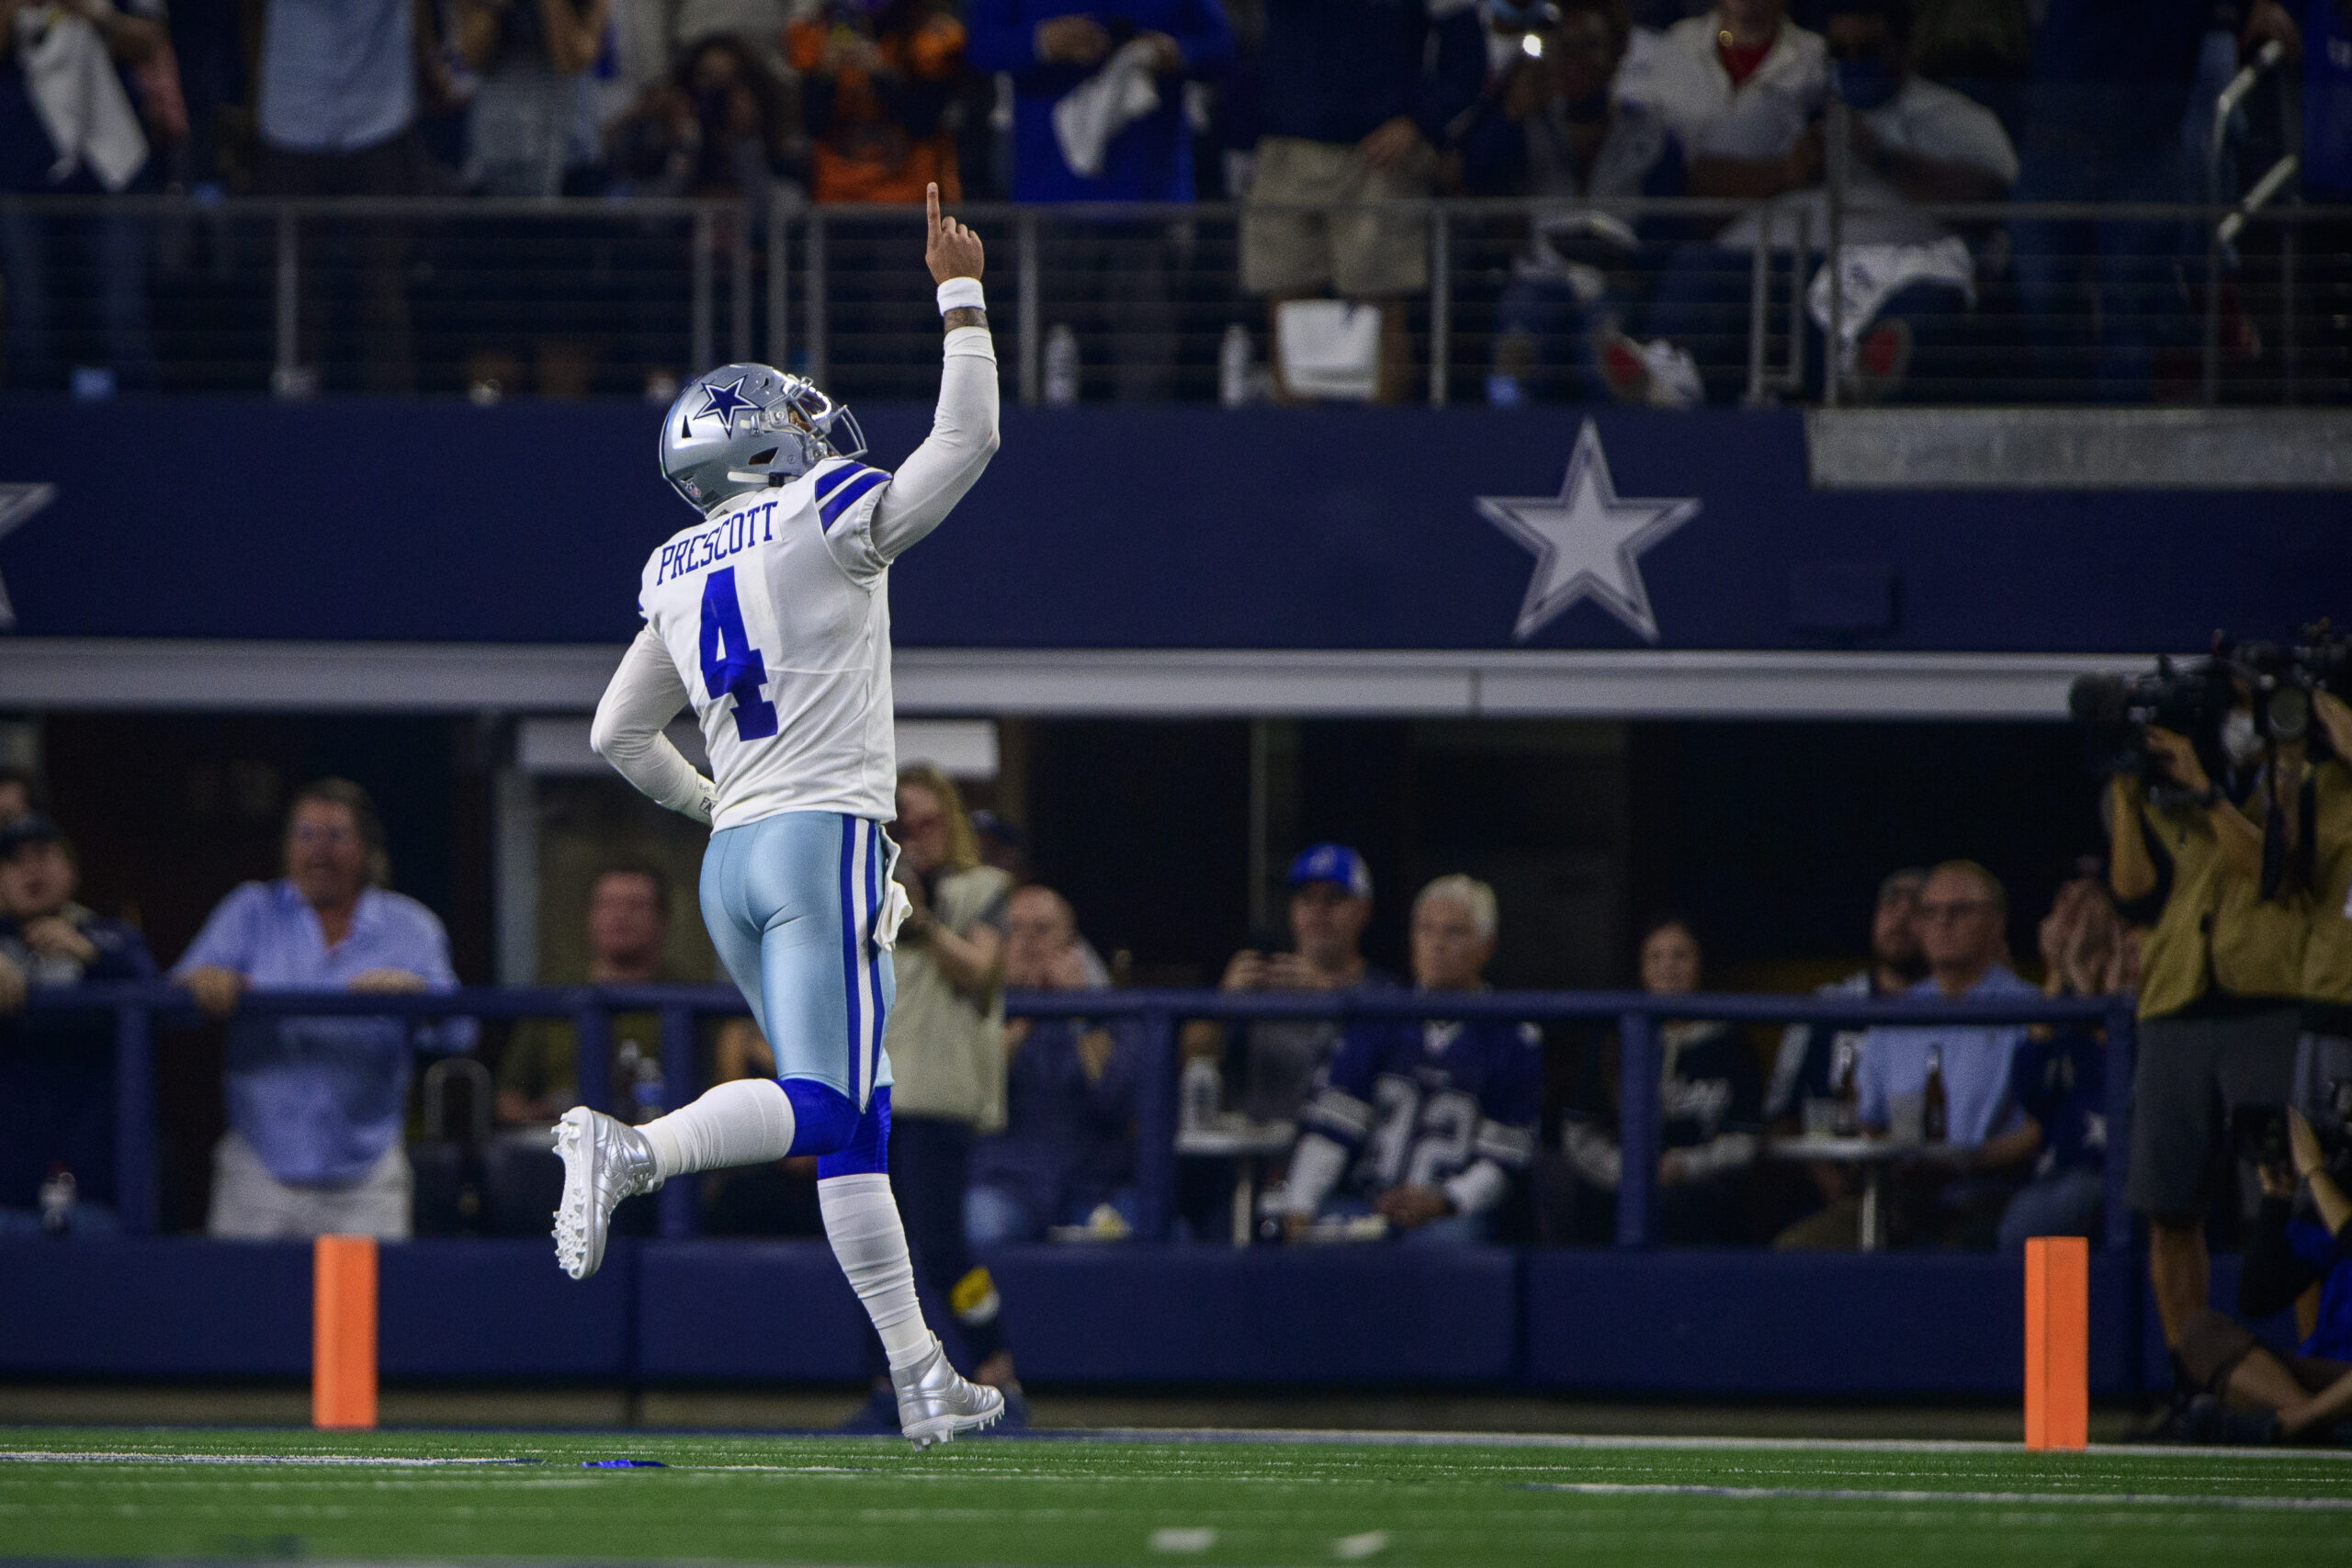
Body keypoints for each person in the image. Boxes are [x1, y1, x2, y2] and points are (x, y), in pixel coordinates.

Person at [564, 186, 1007, 1450]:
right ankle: (629, 1151)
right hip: (821, 841)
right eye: (794, 415)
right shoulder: (821, 509)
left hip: (737, 857)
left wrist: (724, 805)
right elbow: (965, 443)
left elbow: (615, 733)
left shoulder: (675, 561)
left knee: (854, 1133)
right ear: (762, 442)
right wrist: (961, 297)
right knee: (820, 1105)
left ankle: (923, 1375)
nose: (816, 425)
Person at [174, 778, 469, 1241]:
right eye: (305, 835)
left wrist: (418, 996)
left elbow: (460, 1031)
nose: (319, 851)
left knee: (366, 1314)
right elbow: (174, 1001)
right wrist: (204, 983)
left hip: (366, 1174)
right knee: (248, 1311)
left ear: (366, 850)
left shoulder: (411, 926)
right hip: (258, 1169)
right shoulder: (249, 911)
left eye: (335, 836)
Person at [2111, 718, 2308, 1354]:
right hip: (2174, 1002)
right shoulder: (2152, 790)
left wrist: (2207, 792)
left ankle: (2323, 1371)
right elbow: (2133, 892)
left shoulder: (2296, 776)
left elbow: (2272, 872)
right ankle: (2191, 1381)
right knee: (2169, 1207)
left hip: (2267, 1002)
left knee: (2295, 1197)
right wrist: (2123, 789)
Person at [967, 0, 1234, 400]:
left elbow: (1223, 45)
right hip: (1046, 206)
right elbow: (979, 47)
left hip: (1148, 205)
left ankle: (1142, 462)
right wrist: (1041, 42)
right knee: (1038, 379)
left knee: (1146, 381)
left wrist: (1174, 52)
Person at [1240, 0, 1486, 402]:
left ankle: (1380, 453)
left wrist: (1419, 121)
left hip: (1378, 159)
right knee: (1286, 309)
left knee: (1380, 309)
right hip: (1286, 150)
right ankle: (1293, 452)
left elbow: (1467, 59)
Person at [1276, 875, 1540, 1244]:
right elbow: (1334, 1125)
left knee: (1448, 1244)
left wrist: (1445, 1201)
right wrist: (1300, 1204)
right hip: (1368, 1202)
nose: (1436, 944)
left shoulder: (1512, 1038)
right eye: (1426, 929)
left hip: (1450, 1214)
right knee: (1312, 1233)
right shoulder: (1380, 1015)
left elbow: (1505, 1162)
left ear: (1486, 946)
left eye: (1453, 933)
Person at [1793, 861, 2042, 1249]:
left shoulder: (2034, 1012)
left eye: (1959, 911)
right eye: (1930, 912)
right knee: (1800, 1250)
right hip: (1903, 1194)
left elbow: (2043, 1128)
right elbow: (1871, 1120)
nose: (1942, 922)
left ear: (1996, 922)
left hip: (1994, 1192)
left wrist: (1968, 1162)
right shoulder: (1894, 1016)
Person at [1457, 0, 1687, 406]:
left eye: (1589, 45)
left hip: (1614, 283)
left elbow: (1668, 224)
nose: (1575, 60)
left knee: (1604, 354)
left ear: (1617, 53)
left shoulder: (1650, 132)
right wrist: (1511, 112)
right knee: (1518, 347)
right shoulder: (1527, 121)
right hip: (1537, 277)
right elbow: (1475, 173)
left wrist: (1632, 264)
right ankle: (1509, 444)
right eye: (1564, 47)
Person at [252, 0, 447, 393]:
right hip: (292, 114)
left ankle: (390, 425)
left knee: (385, 289)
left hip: (381, 117)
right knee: (294, 294)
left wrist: (432, 65)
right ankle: (290, 421)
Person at [1559, 916, 1762, 1245]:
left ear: (1700, 964)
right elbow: (1579, 1131)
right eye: (1656, 956)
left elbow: (1746, 1139)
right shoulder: (1613, 1039)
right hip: (1618, 1184)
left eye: (1680, 955)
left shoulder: (1730, 1043)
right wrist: (1626, 1170)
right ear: (1641, 968)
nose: (1668, 967)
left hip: (1700, 1192)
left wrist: (1683, 1165)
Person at [0, 0, 166, 395]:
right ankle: (36, 452)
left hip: (113, 168)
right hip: (20, 169)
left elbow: (150, 42)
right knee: (31, 323)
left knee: (122, 321)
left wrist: (93, 13)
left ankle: (139, 445)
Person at [0, 816, 155, 1235]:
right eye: (14, 861)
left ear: (72, 870)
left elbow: (159, 997)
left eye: (45, 856)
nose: (32, 870)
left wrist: (90, 955)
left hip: (95, 1183)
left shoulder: (112, 938)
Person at [966, 885, 1143, 1244]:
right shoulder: (972, 1011)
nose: (1028, 941)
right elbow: (971, 1096)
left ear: (1072, 944)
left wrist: (1079, 1010)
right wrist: (1025, 1015)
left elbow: (1119, 1100)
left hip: (1095, 1188)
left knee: (1151, 1228)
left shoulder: (1109, 1013)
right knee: (982, 1225)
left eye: (1042, 929)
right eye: (1015, 930)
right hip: (1007, 1184)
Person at [2169, 1110, 2352, 1443]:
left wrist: (2314, 1172)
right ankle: (2320, 1425)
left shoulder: (2332, 1197)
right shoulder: (2340, 1194)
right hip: (2325, 1372)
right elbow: (2259, 1297)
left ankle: (2297, 1423)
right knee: (2200, 1331)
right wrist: (2277, 1197)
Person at [1762, 868, 1924, 1244]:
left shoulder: (1957, 1012)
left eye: (1916, 907)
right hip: (1828, 1193)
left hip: (1927, 1194)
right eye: (1889, 902)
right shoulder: (1826, 1006)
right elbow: (1780, 1114)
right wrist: (1827, 1177)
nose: (1900, 917)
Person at [1210, 843, 1399, 1123]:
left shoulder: (1387, 992)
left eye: (1334, 899)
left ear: (1364, 910)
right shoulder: (1262, 982)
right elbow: (1196, 1056)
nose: (1318, 911)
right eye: (1306, 899)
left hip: (1347, 1150)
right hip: (1265, 1152)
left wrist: (1329, 995)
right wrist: (1221, 1004)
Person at [495, 863, 694, 1128]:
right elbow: (507, 1099)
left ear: (663, 920)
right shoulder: (555, 995)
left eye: (635, 905)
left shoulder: (690, 997)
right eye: (607, 904)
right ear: (590, 916)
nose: (620, 915)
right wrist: (541, 1117)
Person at [1996, 873, 2132, 1250]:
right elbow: (2031, 1091)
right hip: (2059, 1170)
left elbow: (2114, 1094)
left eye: (2087, 897)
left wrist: (2093, 993)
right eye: (2063, 899)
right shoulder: (2063, 1003)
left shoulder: (2137, 969)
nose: (2072, 911)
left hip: (2114, 1172)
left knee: (2027, 1223)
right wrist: (2057, 973)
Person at [790, 0, 968, 204]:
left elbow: (923, 124)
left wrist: (881, 75)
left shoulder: (932, 36)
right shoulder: (816, 32)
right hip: (839, 195)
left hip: (911, 196)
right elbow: (812, 126)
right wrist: (824, 76)